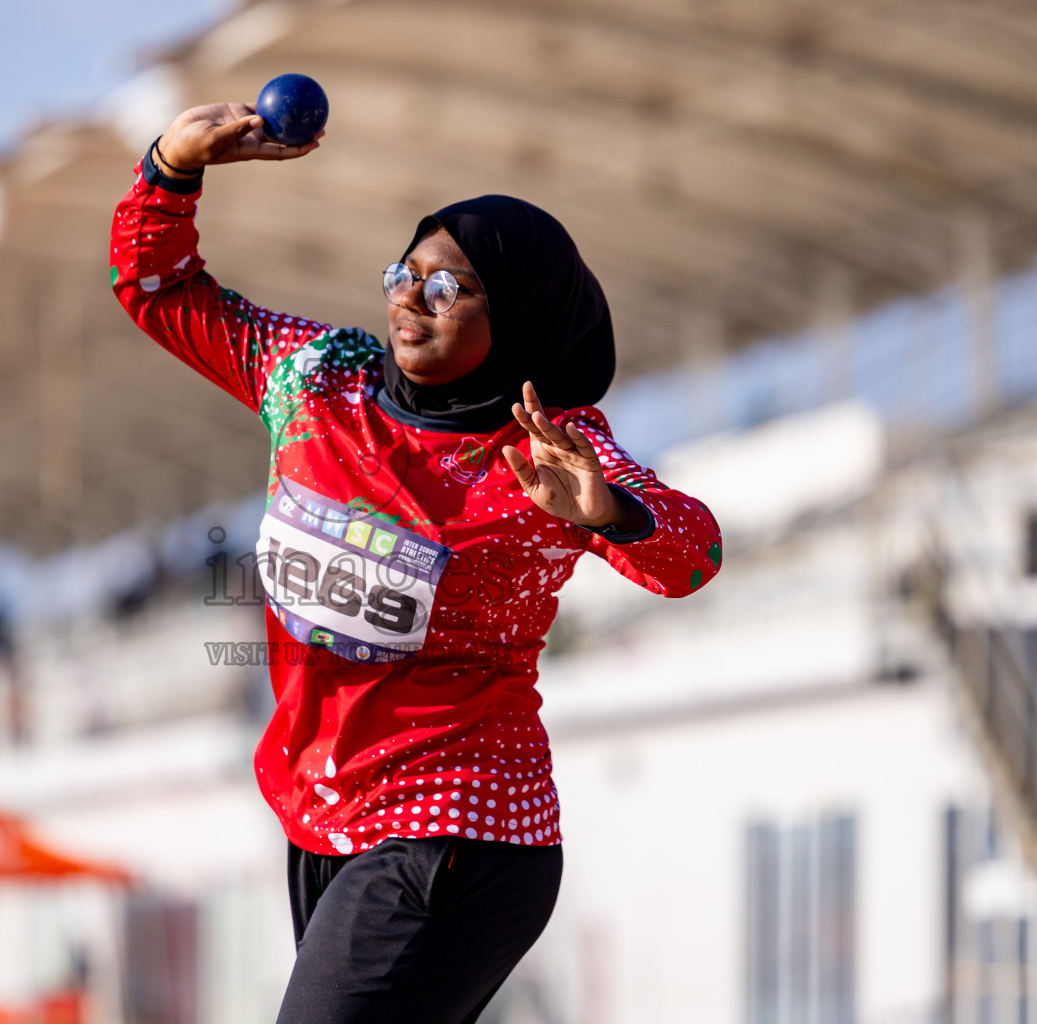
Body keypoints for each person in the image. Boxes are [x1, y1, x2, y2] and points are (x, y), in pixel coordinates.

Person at [111, 103, 723, 1024]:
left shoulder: (548, 446)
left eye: (448, 288)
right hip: (321, 817)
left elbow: (696, 553)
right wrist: (170, 168)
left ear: (513, 310)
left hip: (461, 828)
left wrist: (609, 510)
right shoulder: (317, 377)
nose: (408, 298)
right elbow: (160, 292)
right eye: (405, 273)